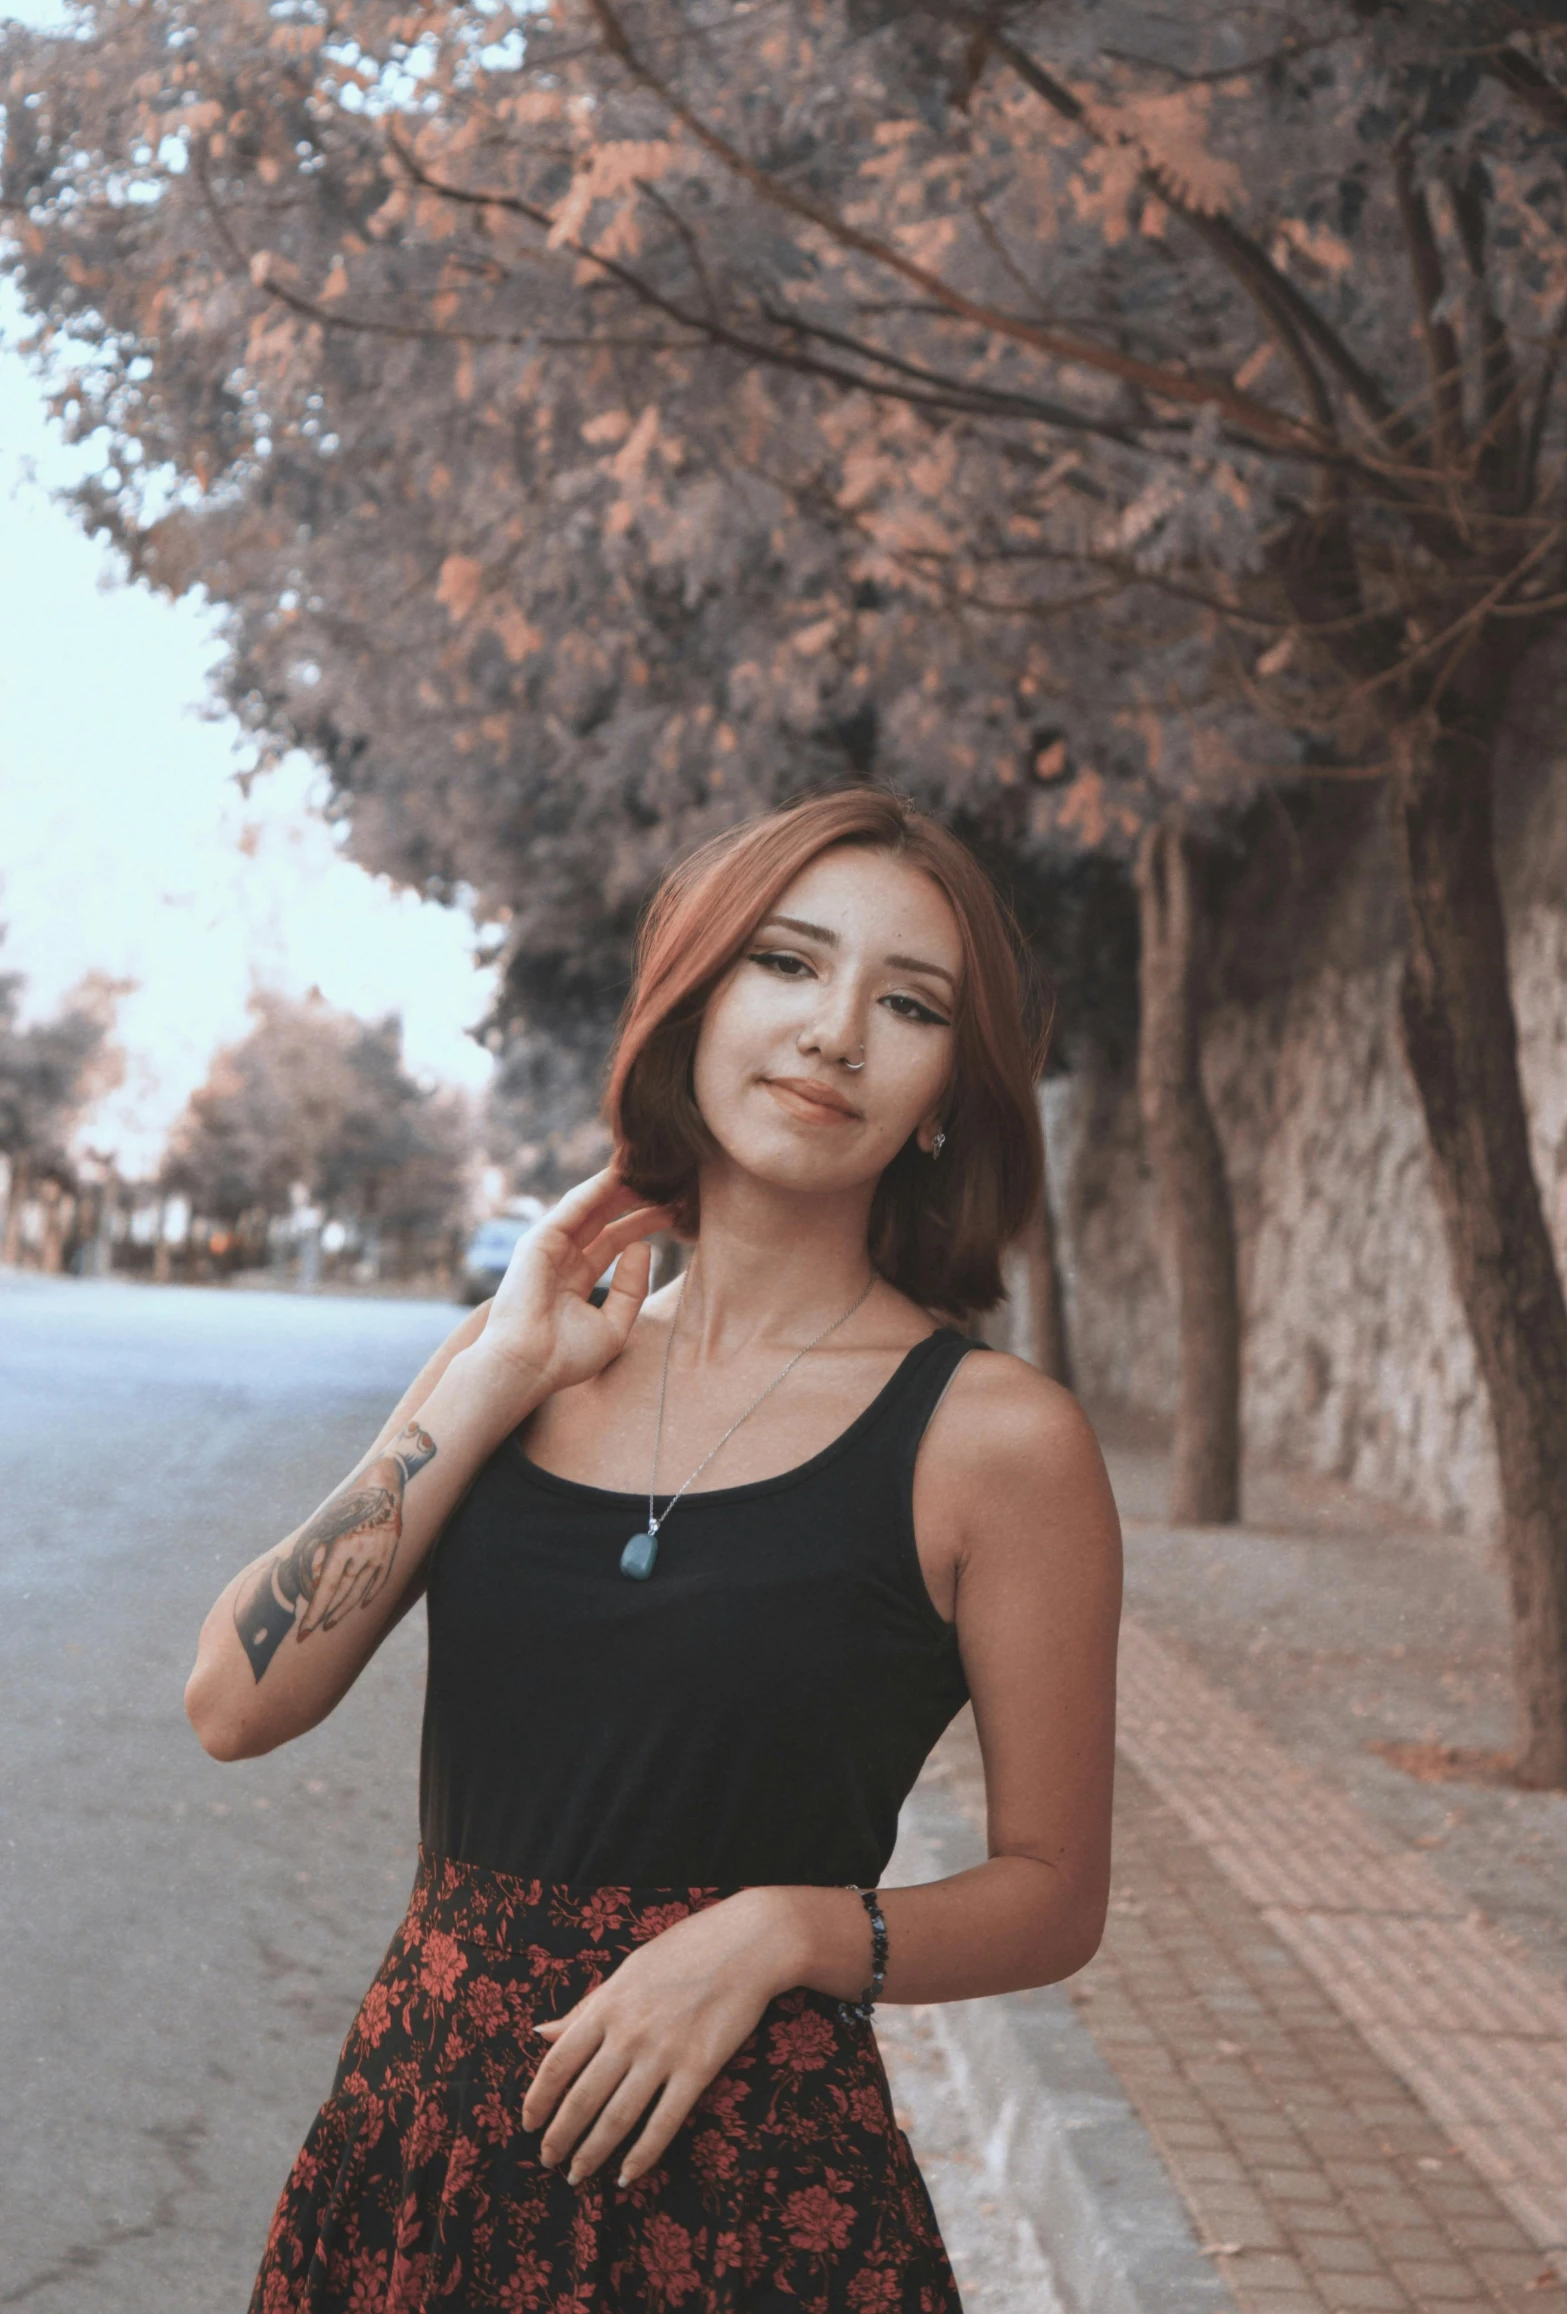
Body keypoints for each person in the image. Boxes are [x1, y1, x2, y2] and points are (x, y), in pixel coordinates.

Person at [186, 783, 1123, 2314]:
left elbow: (1051, 1891)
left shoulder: (995, 1442)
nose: (834, 1032)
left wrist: (780, 1931)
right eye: (785, 963)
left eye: (907, 1003)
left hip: (755, 2206)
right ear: (690, 1004)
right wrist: (492, 1374)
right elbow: (235, 1700)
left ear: (947, 1088)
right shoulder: (514, 1364)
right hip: (425, 2159)